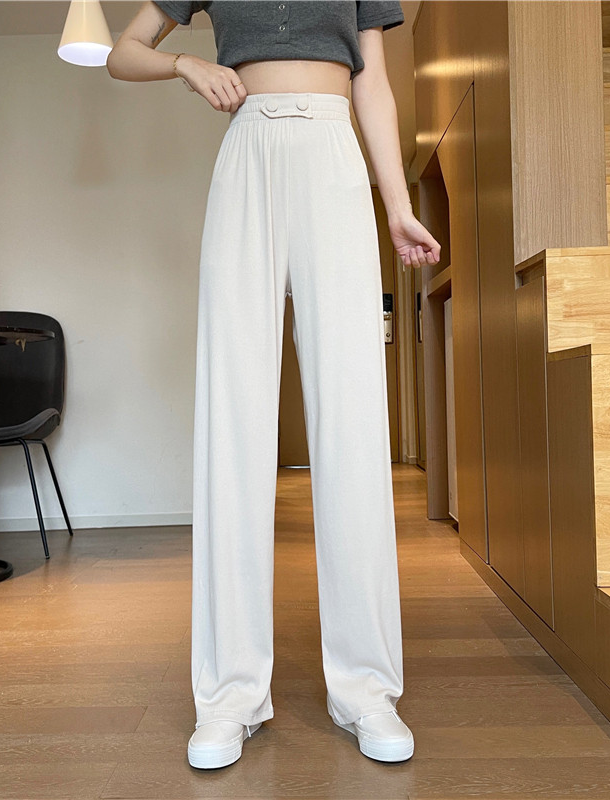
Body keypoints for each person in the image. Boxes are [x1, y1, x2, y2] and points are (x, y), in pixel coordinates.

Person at [107, 0, 441, 771]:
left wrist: (396, 205)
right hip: (247, 151)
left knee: (352, 414)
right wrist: (186, 64)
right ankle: (229, 695)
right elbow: (123, 53)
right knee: (233, 414)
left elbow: (372, 81)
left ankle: (366, 689)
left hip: (334, 150)